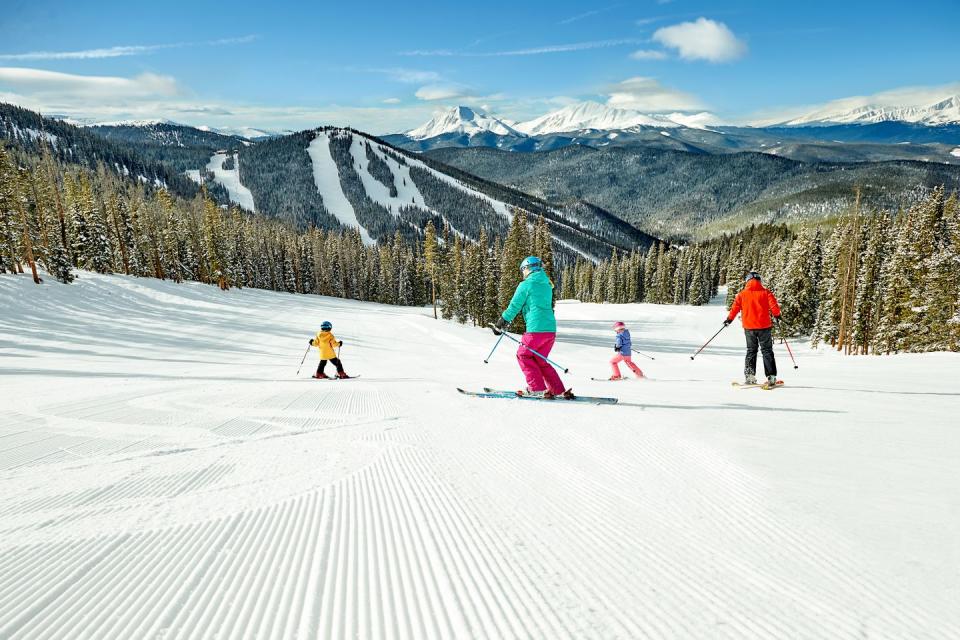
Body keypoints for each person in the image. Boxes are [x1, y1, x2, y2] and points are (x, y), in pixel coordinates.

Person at [491, 256, 575, 400]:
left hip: (535, 329)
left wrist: (502, 322)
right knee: (539, 360)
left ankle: (537, 389)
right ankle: (558, 390)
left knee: (523, 355)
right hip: (550, 330)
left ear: (527, 268)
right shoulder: (547, 284)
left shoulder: (526, 285)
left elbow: (515, 305)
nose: (523, 273)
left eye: (523, 270)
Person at [724, 271, 781, 386]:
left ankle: (750, 376)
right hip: (764, 326)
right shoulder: (766, 292)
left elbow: (734, 308)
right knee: (767, 351)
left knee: (751, 351)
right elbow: (774, 305)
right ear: (759, 280)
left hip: (749, 328)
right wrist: (777, 315)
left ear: (747, 281)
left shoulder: (742, 294)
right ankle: (771, 377)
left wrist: (729, 319)